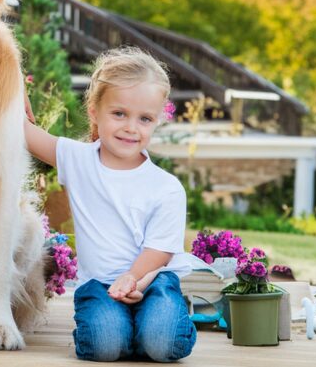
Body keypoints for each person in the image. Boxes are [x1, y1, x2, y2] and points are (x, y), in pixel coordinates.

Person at [24, 47, 196, 362]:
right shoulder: (77, 160)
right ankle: (128, 331)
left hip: (152, 281)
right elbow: (25, 133)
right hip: (100, 287)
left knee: (162, 345)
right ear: (94, 112)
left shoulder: (166, 188)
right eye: (119, 114)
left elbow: (160, 252)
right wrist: (14, 88)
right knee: (104, 346)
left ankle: (151, 327)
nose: (131, 127)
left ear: (157, 121)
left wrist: (133, 279)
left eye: (144, 118)